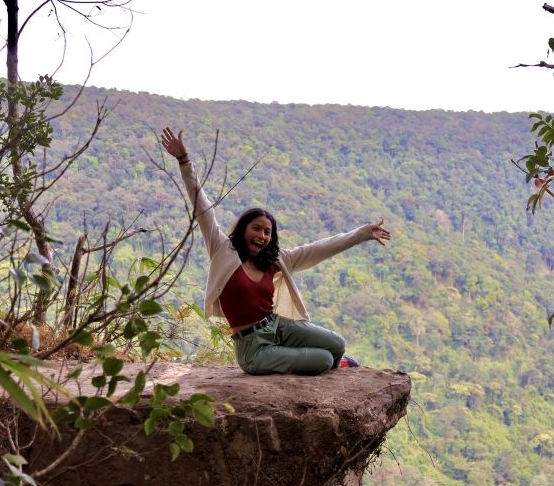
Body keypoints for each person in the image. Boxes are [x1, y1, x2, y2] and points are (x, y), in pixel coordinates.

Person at [160, 127, 391, 375]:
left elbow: (321, 248)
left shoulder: (276, 260)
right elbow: (202, 207)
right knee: (323, 359)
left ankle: (332, 362)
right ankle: (335, 366)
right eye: (256, 228)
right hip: (253, 348)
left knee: (338, 344)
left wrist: (364, 233)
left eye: (267, 232)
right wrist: (184, 160)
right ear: (243, 228)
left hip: (277, 327)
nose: (262, 235)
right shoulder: (222, 249)